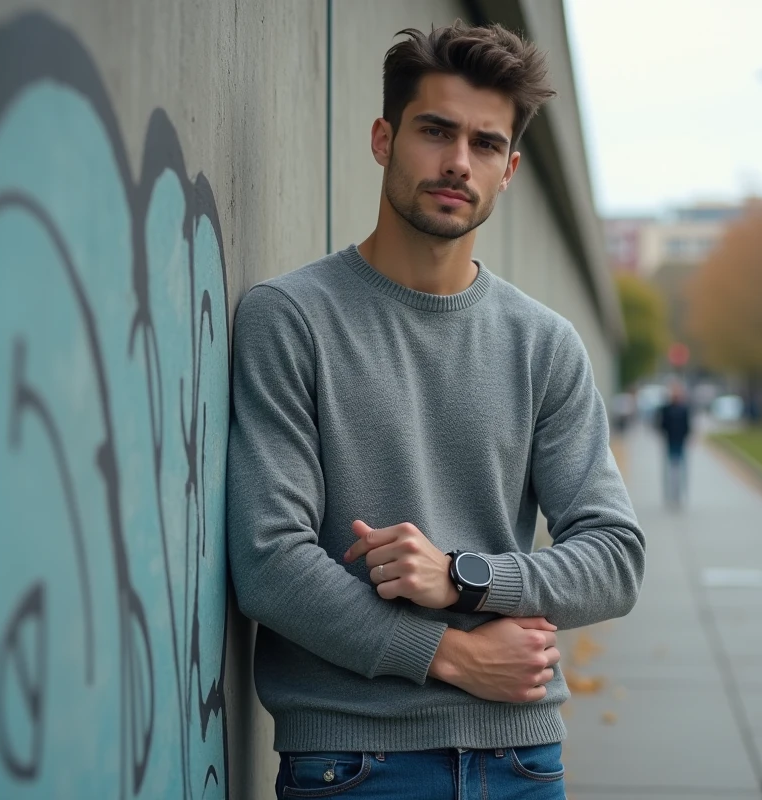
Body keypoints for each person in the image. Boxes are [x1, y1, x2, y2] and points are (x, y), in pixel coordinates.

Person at [226, 22, 645, 800]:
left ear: (511, 168)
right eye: (435, 131)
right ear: (384, 138)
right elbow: (269, 562)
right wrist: (452, 655)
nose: (459, 161)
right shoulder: (290, 318)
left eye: (485, 144)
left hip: (522, 763)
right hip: (353, 763)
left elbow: (616, 557)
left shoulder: (543, 345)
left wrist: (464, 579)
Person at [656, 382, 691, 509]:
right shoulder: (666, 409)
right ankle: (669, 495)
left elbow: (688, 426)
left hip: (680, 443)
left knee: (680, 470)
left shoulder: (684, 409)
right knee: (670, 471)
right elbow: (661, 425)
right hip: (669, 442)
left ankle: (679, 495)